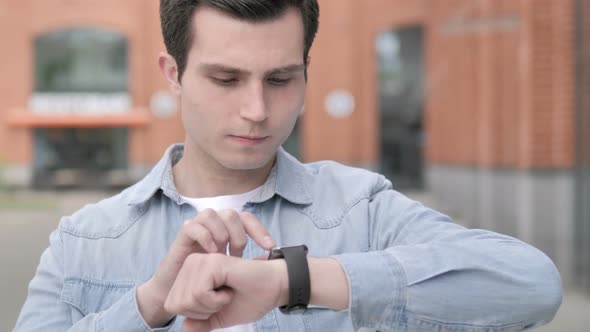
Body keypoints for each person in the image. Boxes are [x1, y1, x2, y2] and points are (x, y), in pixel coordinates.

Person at [15, 1, 562, 331]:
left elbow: (530, 285)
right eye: (226, 79)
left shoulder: (361, 209)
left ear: (305, 71)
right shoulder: (84, 239)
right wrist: (149, 304)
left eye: (280, 79)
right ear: (173, 73)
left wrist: (292, 281)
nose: (256, 110)